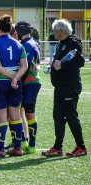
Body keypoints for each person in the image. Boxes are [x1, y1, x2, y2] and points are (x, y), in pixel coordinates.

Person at [42, 19, 87, 157]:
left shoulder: (73, 43)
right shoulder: (62, 44)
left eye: (54, 30)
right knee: (58, 117)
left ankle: (81, 147)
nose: (53, 32)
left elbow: (80, 61)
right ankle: (57, 147)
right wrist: (53, 68)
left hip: (69, 87)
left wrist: (62, 66)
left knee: (71, 117)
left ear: (61, 31)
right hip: (60, 87)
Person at [0, 14, 28, 157]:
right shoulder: (19, 44)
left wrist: (10, 76)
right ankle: (17, 147)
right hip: (16, 84)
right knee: (16, 116)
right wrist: (15, 77)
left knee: (1, 117)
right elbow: (24, 65)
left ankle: (0, 149)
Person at [15, 21, 41, 154]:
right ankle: (23, 141)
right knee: (21, 112)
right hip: (32, 81)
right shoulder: (34, 42)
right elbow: (37, 63)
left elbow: (26, 66)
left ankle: (31, 145)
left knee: (29, 113)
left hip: (29, 82)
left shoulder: (26, 45)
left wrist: (16, 80)